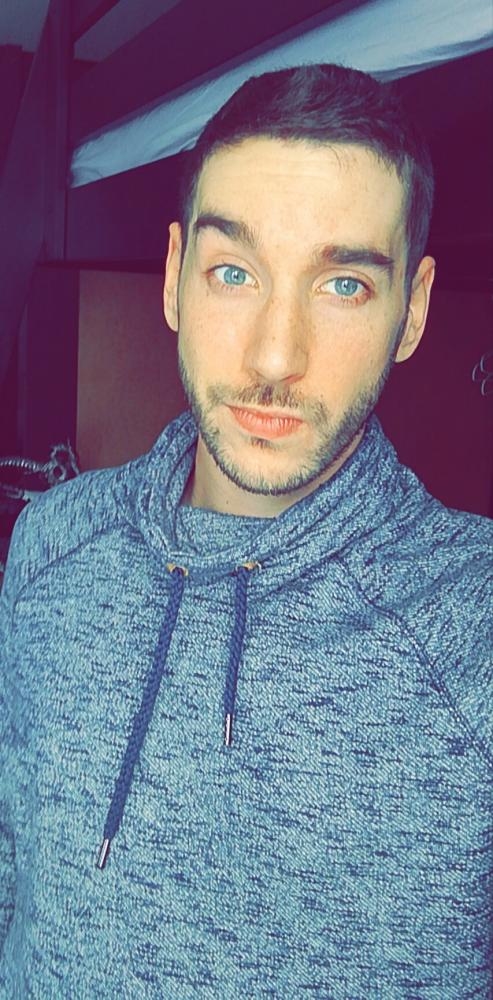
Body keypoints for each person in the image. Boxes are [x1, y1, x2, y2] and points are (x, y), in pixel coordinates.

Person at [1, 63, 491, 998]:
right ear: (175, 279)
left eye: (342, 284)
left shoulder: (472, 635)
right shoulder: (49, 548)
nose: (274, 356)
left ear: (413, 311)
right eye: (233, 272)